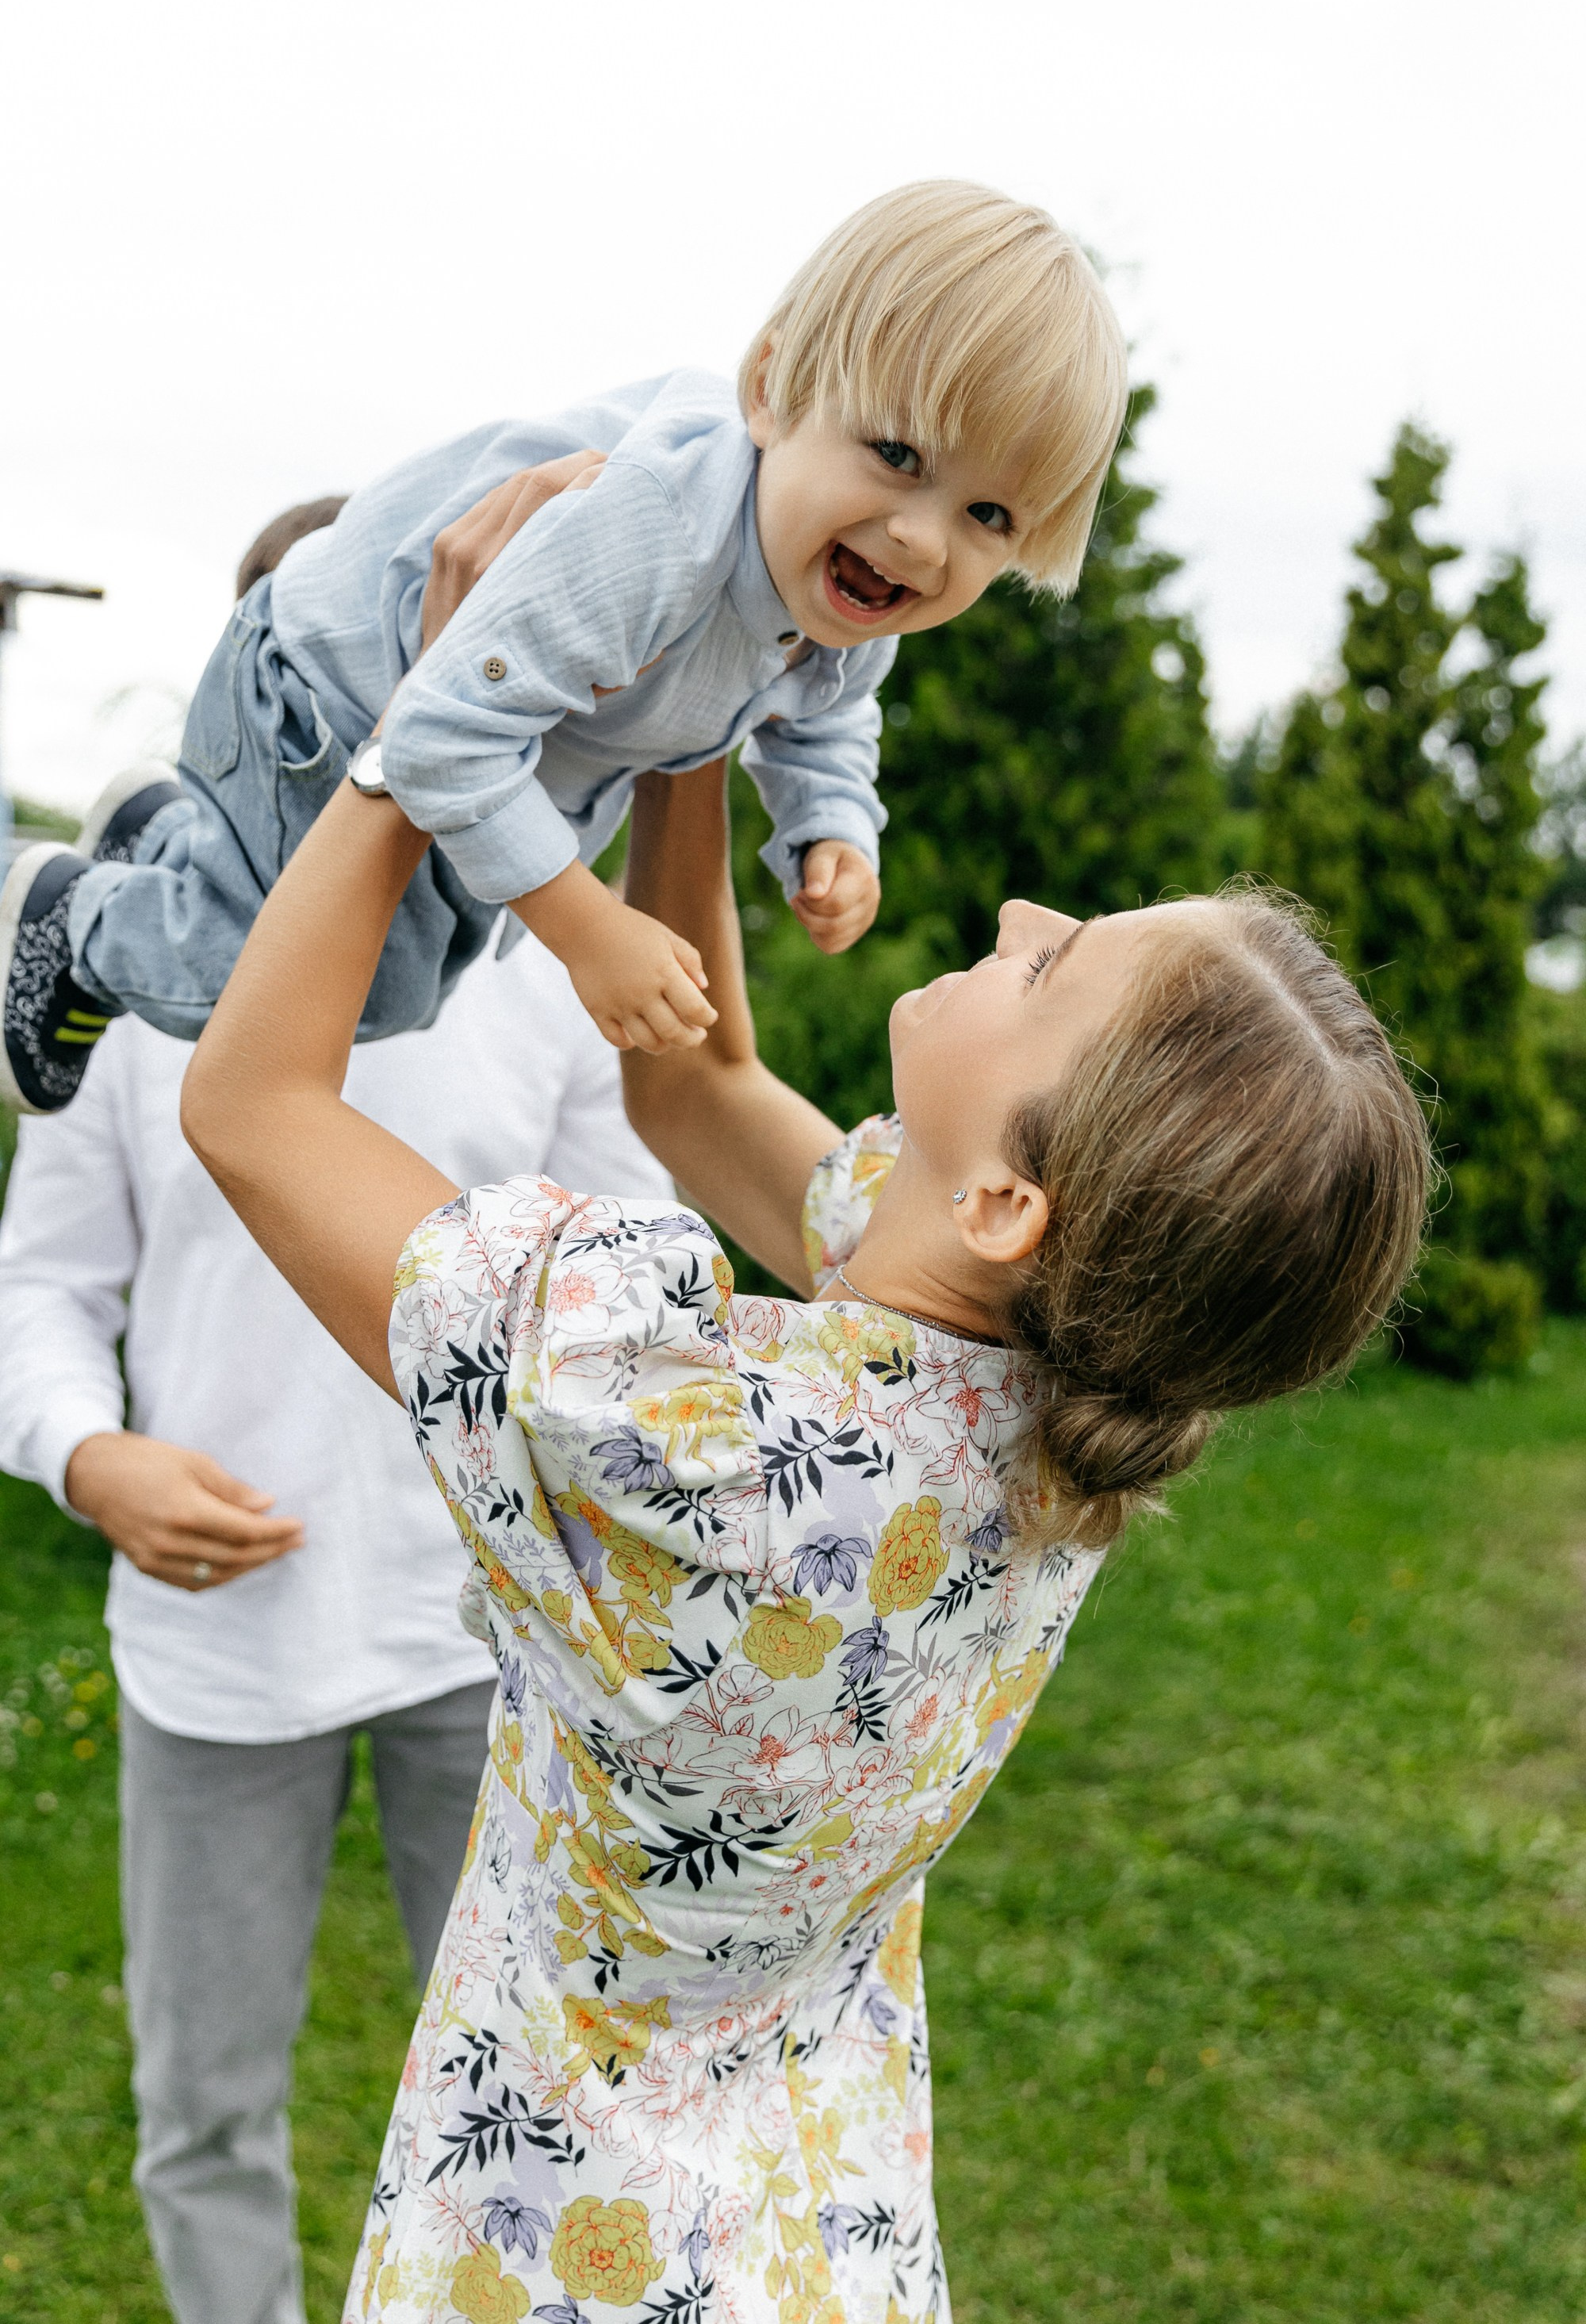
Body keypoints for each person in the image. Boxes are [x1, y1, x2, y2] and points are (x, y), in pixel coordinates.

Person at [177, 730, 1430, 2319]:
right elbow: (688, 1087)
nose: (1026, 915)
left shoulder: (689, 1459)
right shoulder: (1037, 1392)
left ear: (1003, 1204)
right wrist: (692, 716)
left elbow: (249, 1099)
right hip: (813, 2230)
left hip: (564, 2244)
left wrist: (434, 733)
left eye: (1054, 972)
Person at [0, 476, 675, 2324]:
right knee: (200, 2108)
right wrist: (87, 1453)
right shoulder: (139, 974)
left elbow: (651, 1253)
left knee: (543, 2093)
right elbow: (41, 1291)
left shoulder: (542, 959)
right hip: (210, 1658)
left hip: (487, 1638)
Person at [0, 179, 1129, 1111]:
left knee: (411, 982)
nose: (924, 542)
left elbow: (831, 708)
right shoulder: (658, 530)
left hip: (461, 740)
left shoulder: (852, 588)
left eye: (989, 517)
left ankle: (163, 843)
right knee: (351, 996)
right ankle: (74, 919)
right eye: (896, 454)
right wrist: (592, 928)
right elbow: (440, 732)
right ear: (773, 390)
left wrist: (832, 824)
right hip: (319, 699)